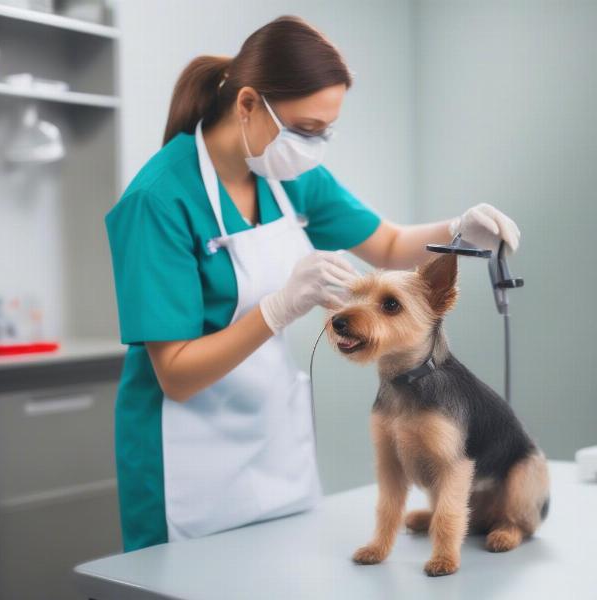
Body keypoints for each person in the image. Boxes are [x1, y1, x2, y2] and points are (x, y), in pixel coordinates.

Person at [105, 15, 520, 552]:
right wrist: (279, 308)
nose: (314, 145)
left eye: (325, 129)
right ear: (249, 104)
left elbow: (389, 244)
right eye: (304, 128)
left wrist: (458, 231)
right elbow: (177, 376)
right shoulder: (157, 202)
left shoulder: (287, 174)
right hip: (185, 458)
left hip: (273, 440)